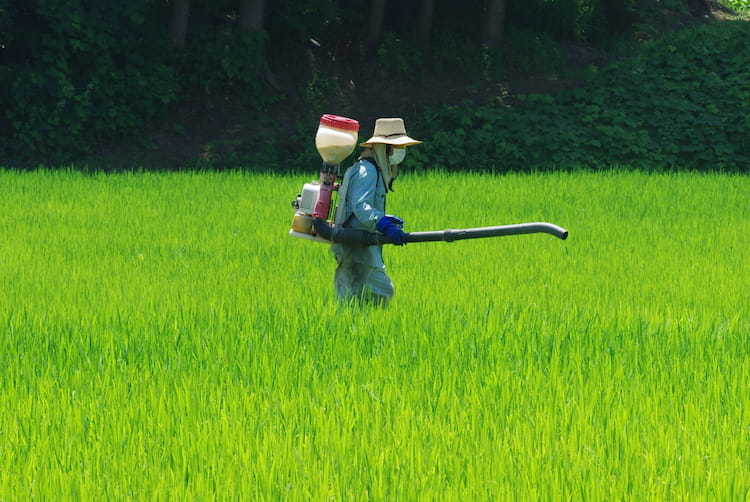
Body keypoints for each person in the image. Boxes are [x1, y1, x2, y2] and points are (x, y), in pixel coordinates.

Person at [330, 118, 421, 305]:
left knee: (356, 295)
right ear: (383, 147)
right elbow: (361, 206)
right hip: (356, 242)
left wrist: (383, 219)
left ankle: (351, 327)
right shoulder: (367, 170)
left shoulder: (372, 168)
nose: (399, 152)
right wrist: (383, 224)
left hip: (360, 241)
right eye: (396, 147)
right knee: (381, 292)